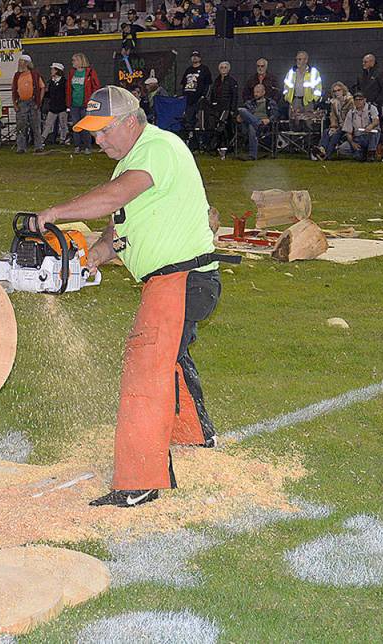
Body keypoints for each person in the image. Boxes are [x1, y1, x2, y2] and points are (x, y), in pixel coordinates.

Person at [34, 86, 234, 508]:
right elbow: (119, 226)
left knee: (145, 368)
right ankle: (195, 436)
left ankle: (139, 481)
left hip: (182, 277)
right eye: (93, 132)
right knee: (169, 357)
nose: (98, 139)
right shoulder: (131, 162)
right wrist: (94, 256)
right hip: (174, 279)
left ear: (130, 122)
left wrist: (56, 213)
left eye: (104, 130)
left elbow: (114, 197)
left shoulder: (157, 148)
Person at [12, 54, 46, 154]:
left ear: (26, 63)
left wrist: (39, 101)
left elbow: (42, 87)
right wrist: (15, 104)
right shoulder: (17, 75)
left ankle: (38, 146)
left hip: (32, 101)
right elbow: (14, 90)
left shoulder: (34, 74)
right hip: (21, 102)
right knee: (21, 126)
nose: (19, 63)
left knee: (35, 125)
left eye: (21, 61)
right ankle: (21, 147)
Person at [68, 52, 101, 153]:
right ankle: (77, 146)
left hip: (86, 103)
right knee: (76, 125)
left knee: (86, 125)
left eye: (74, 60)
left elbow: (96, 86)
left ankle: (87, 146)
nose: (72, 62)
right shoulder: (72, 73)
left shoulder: (90, 72)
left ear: (80, 61)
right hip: (74, 103)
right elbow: (69, 88)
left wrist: (93, 100)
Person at [203, 61, 238, 152]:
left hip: (227, 108)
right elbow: (213, 94)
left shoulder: (232, 81)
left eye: (225, 67)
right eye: (221, 67)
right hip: (217, 108)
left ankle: (228, 146)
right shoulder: (216, 81)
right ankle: (216, 145)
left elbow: (235, 96)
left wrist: (232, 109)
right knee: (217, 126)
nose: (223, 69)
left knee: (227, 127)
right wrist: (212, 104)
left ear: (229, 69)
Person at [237, 84, 278, 160]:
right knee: (241, 110)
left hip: (264, 125)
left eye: (258, 92)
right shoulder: (249, 103)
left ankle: (252, 156)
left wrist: (269, 120)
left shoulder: (270, 102)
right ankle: (257, 124)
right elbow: (244, 114)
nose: (255, 94)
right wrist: (239, 117)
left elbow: (275, 115)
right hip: (250, 124)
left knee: (252, 126)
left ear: (263, 92)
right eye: (254, 92)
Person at [313, 81, 352, 160]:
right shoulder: (334, 102)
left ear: (343, 90)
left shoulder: (350, 101)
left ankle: (327, 155)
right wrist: (333, 126)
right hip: (339, 125)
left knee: (336, 135)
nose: (337, 92)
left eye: (339, 90)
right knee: (327, 132)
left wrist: (340, 127)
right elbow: (332, 116)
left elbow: (351, 117)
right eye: (334, 91)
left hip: (348, 126)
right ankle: (321, 149)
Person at [283, 50, 323, 125]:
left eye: (300, 59)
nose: (298, 61)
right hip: (294, 100)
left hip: (308, 101)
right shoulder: (291, 72)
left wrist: (314, 99)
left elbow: (318, 87)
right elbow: (286, 85)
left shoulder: (313, 72)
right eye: (297, 59)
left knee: (308, 123)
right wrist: (287, 97)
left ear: (306, 60)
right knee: (294, 122)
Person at [340, 91, 380, 161]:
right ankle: (361, 153)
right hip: (357, 138)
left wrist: (371, 126)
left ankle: (371, 153)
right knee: (342, 149)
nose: (358, 102)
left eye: (360, 99)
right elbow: (348, 132)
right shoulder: (351, 113)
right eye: (356, 100)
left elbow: (376, 121)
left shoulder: (371, 108)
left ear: (364, 100)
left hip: (369, 135)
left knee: (376, 132)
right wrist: (352, 143)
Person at [181, 51, 212, 135]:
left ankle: (200, 138)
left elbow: (208, 84)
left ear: (200, 58)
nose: (194, 58)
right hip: (188, 100)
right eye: (193, 56)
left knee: (200, 120)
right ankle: (190, 137)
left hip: (199, 100)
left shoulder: (204, 69)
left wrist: (204, 96)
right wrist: (183, 95)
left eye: (196, 56)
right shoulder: (188, 70)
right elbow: (183, 84)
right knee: (188, 120)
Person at [43, 63, 69, 146]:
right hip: (53, 106)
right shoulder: (51, 82)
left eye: (53, 69)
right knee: (48, 123)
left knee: (63, 124)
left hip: (62, 106)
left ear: (57, 71)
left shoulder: (64, 82)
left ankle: (63, 139)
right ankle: (43, 138)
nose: (51, 71)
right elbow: (49, 94)